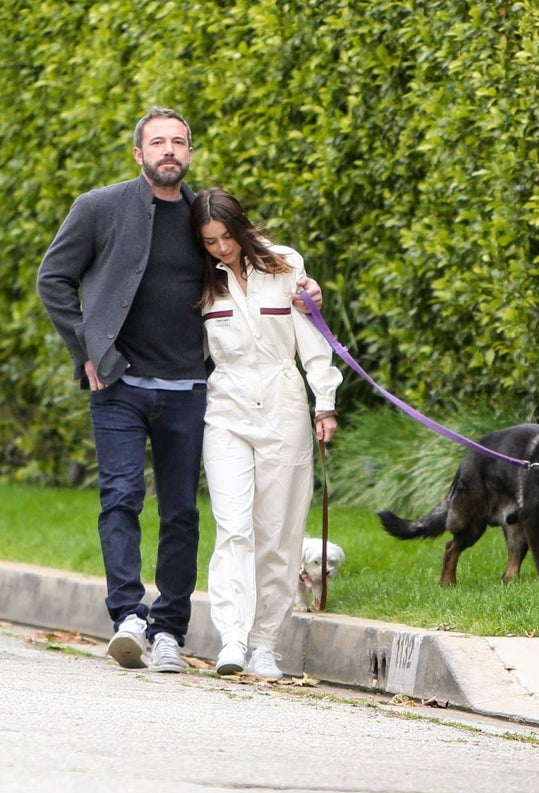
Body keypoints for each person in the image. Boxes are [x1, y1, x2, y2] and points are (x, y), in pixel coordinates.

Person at [36, 107, 323, 674]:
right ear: (138, 153)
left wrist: (302, 286)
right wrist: (89, 350)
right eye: (157, 142)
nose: (169, 150)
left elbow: (248, 256)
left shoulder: (200, 220)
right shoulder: (97, 208)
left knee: (180, 514)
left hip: (191, 388)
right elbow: (54, 279)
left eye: (179, 142)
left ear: (189, 153)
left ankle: (168, 627)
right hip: (118, 384)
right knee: (120, 498)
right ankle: (127, 619)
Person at [191, 186, 342, 679]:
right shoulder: (199, 277)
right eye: (211, 241)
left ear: (242, 227)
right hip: (227, 406)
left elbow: (312, 336)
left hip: (284, 405)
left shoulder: (283, 265)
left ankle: (264, 644)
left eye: (228, 237)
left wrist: (325, 402)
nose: (222, 249)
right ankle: (232, 638)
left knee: (278, 533)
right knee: (234, 526)